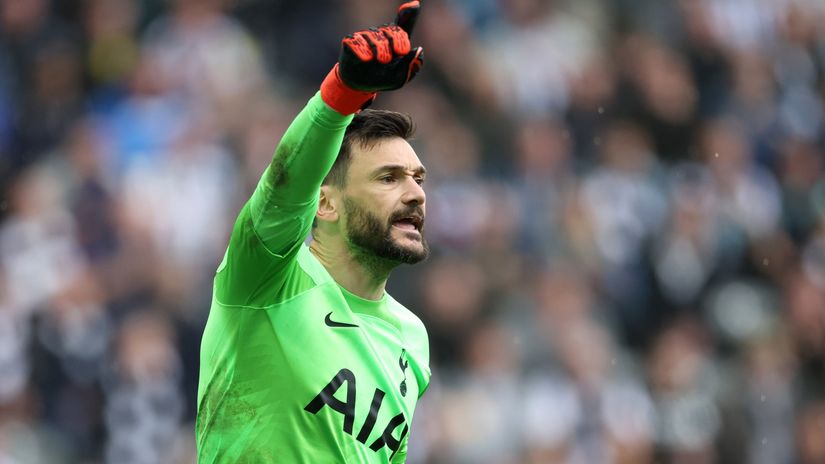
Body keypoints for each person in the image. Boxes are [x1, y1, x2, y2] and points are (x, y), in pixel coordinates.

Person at [195, 2, 430, 462]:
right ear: (325, 202)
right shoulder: (268, 278)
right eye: (388, 178)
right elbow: (284, 188)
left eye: (417, 179)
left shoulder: (412, 338)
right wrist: (341, 95)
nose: (415, 194)